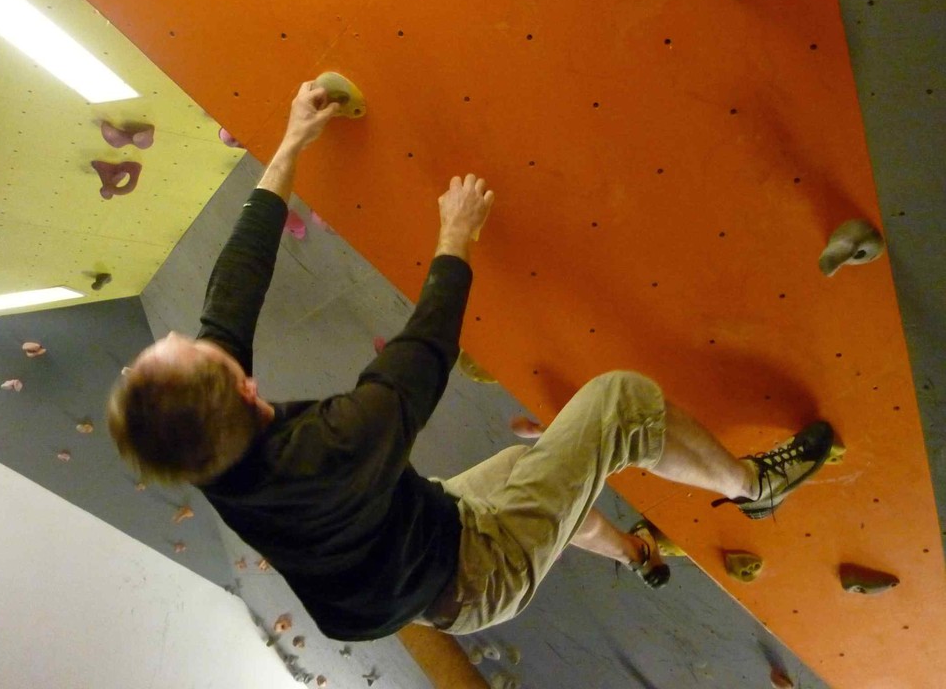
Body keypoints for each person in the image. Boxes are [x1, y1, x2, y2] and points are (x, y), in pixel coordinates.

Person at [107, 81, 835, 640]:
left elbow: (230, 290)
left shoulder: (201, 441)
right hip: (478, 575)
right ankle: (755, 486)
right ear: (246, 389)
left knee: (538, 472)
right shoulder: (336, 445)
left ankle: (636, 556)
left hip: (419, 538)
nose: (203, 333)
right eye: (190, 348)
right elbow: (421, 355)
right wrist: (455, 235)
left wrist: (292, 140)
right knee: (621, 402)